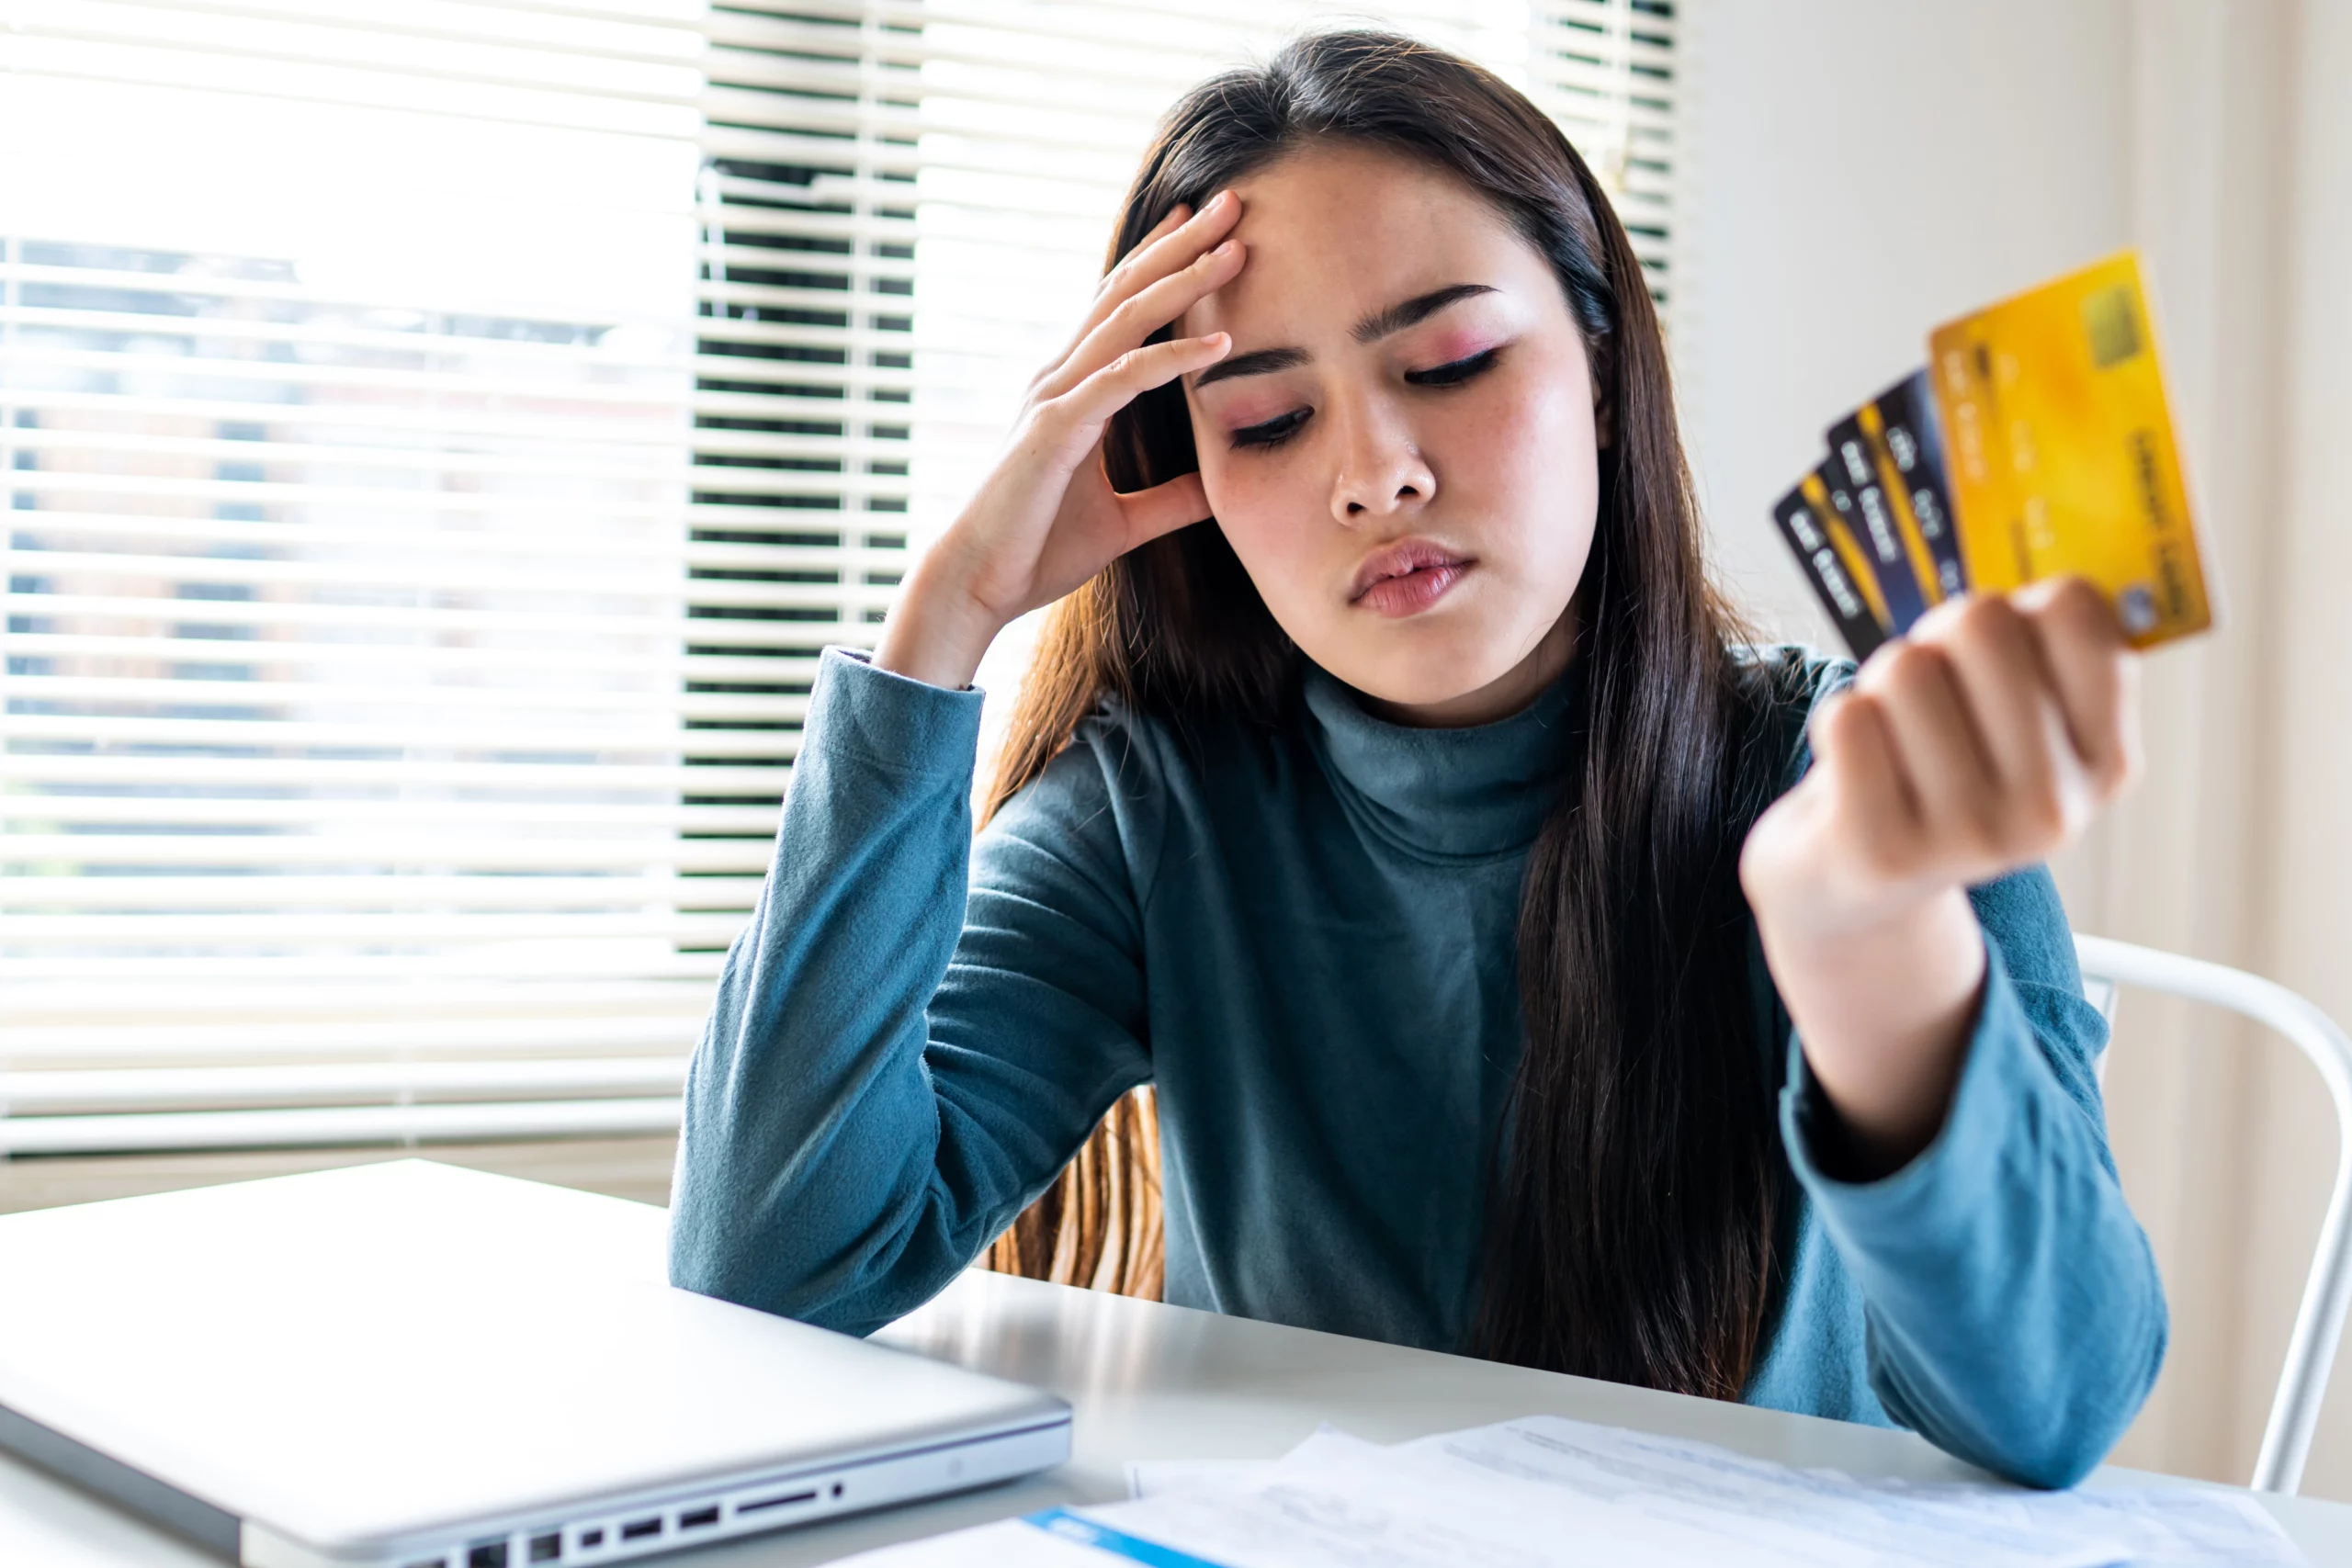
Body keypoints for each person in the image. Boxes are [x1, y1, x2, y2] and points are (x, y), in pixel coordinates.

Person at [669, 30, 2165, 1489]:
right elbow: (771, 1259)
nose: (1375, 471)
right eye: (1265, 419)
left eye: (1447, 360)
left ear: (1598, 362)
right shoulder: (1154, 810)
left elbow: (2054, 1405)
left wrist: (1872, 951)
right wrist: (945, 619)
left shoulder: (1860, 779)